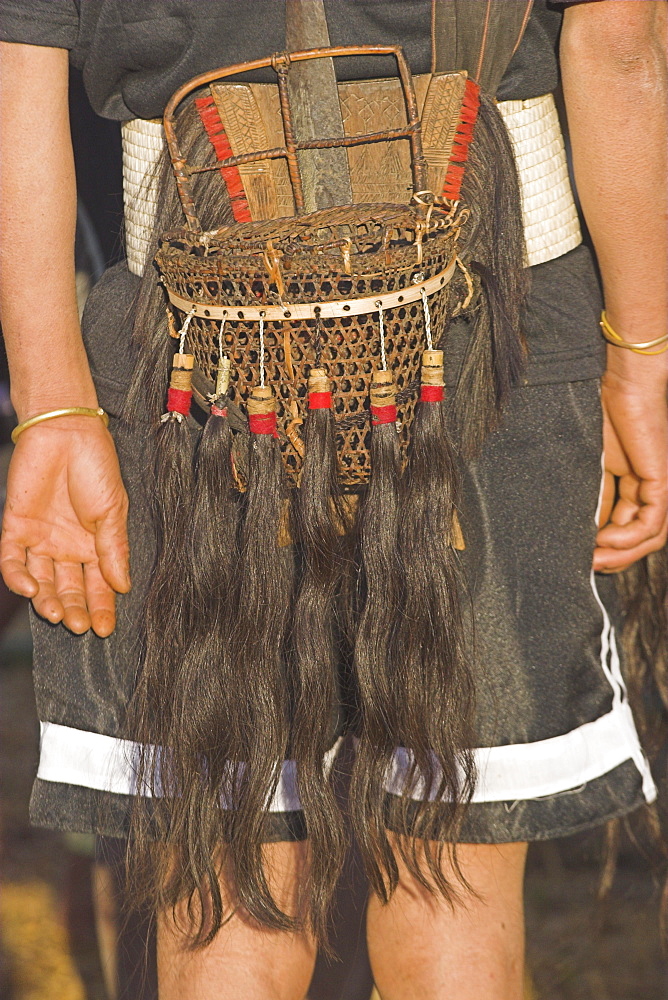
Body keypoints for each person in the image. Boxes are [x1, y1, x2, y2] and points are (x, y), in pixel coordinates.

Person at [0, 2, 666, 998]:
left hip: (185, 356)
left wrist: (52, 403)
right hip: (490, 338)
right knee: (452, 910)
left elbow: (18, 75)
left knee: (224, 905)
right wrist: (642, 354)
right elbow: (618, 41)